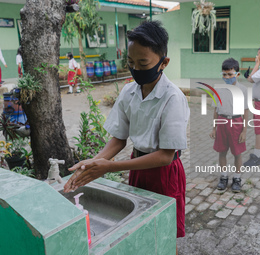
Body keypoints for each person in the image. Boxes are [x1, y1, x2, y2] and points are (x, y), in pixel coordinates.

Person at [64, 21, 189, 254]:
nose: (136, 69)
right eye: (130, 62)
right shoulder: (128, 91)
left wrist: (108, 167)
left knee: (165, 232)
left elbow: (165, 155)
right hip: (137, 166)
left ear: (164, 63)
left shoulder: (172, 98)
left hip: (164, 173)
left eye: (143, 63)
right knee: (140, 226)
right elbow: (119, 139)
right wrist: (94, 163)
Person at [211, 58, 249, 192]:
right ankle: (223, 177)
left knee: (237, 153)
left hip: (237, 122)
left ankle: (237, 178)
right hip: (222, 122)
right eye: (224, 74)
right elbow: (215, 109)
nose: (227, 77)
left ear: (237, 74)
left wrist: (244, 131)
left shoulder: (243, 90)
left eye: (230, 74)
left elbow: (245, 110)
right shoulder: (218, 89)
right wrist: (214, 128)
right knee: (222, 152)